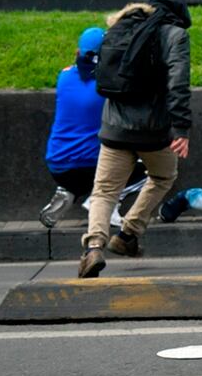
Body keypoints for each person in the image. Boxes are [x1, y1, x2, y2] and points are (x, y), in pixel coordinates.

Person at [77, 0, 192, 278]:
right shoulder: (174, 35)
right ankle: (128, 234)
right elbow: (177, 83)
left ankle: (93, 250)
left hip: (115, 129)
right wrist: (181, 128)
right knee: (163, 176)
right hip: (153, 132)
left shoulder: (119, 27)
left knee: (104, 191)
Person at [40, 27, 146, 229]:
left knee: (83, 169)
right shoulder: (108, 85)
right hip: (93, 164)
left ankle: (69, 191)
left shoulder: (64, 78)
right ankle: (105, 203)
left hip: (57, 164)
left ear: (77, 52)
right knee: (148, 167)